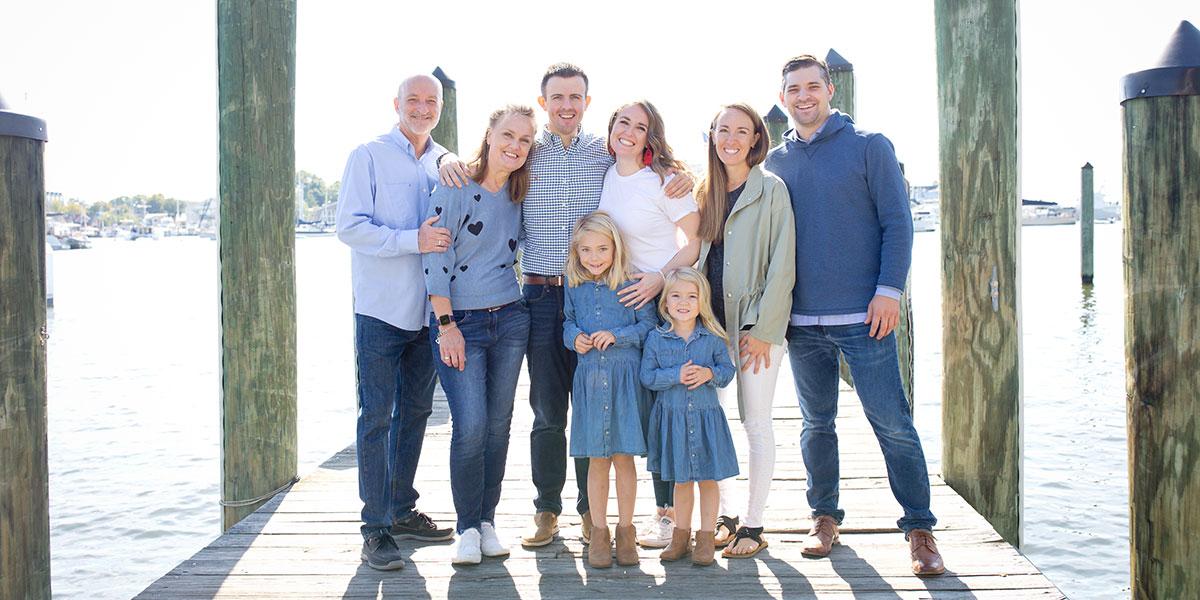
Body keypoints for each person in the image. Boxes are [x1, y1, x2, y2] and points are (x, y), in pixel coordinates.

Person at [439, 64, 693, 548]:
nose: (566, 106)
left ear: (587, 103)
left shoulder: (603, 150)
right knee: (548, 409)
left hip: (598, 295)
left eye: (575, 97)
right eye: (557, 97)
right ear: (544, 103)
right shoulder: (525, 153)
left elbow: (644, 159)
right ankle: (547, 510)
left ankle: (590, 514)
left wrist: (676, 175)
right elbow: (483, 162)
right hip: (535, 297)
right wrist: (444, 159)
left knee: (597, 405)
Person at [765, 55, 945, 576]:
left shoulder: (870, 146)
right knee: (816, 424)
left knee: (892, 423)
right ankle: (824, 518)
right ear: (783, 97)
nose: (803, 96)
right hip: (802, 324)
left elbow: (897, 224)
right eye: (793, 89)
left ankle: (919, 528)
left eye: (812, 87)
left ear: (829, 89)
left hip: (867, 318)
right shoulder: (776, 163)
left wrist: (889, 290)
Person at [335, 74, 454, 571]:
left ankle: (402, 509)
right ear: (397, 104)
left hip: (427, 313)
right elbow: (350, 227)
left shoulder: (445, 161)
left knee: (417, 414)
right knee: (375, 419)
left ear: (440, 108)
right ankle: (375, 528)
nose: (422, 109)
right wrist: (413, 240)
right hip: (381, 311)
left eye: (431, 102)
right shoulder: (368, 155)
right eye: (414, 100)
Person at [423, 105, 536, 565]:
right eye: (507, 135)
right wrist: (446, 325)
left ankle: (488, 520)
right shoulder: (453, 185)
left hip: (511, 318)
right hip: (460, 322)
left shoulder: (519, 192)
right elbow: (434, 259)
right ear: (488, 134)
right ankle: (466, 526)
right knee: (468, 427)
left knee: (498, 425)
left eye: (525, 141)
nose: (514, 146)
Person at [595, 98, 700, 548]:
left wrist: (661, 279)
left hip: (660, 306)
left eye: (640, 126)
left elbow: (695, 242)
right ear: (612, 128)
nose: (629, 131)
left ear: (649, 136)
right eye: (623, 122)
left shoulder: (665, 182)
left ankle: (670, 515)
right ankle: (606, 517)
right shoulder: (604, 174)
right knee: (635, 412)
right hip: (623, 308)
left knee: (665, 410)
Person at [695, 103, 796, 559]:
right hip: (710, 327)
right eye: (723, 130)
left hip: (754, 326)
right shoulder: (706, 191)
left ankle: (754, 525)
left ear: (757, 138)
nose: (731, 138)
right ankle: (727, 516)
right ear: (712, 135)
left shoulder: (771, 190)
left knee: (755, 422)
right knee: (714, 423)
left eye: (742, 131)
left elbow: (782, 265)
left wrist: (765, 329)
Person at [561, 211, 657, 568]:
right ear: (576, 252)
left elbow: (648, 327)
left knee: (623, 457)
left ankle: (626, 530)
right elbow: (567, 323)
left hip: (625, 380)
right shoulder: (574, 285)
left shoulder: (631, 282)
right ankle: (598, 533)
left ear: (616, 248)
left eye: (602, 248)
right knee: (596, 459)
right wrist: (575, 339)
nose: (595, 257)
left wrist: (617, 336)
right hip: (589, 380)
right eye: (586, 250)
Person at [640, 268, 738, 567]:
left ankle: (706, 538)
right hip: (673, 421)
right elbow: (647, 377)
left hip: (706, 420)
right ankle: (680, 538)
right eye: (676, 296)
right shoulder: (657, 339)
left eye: (692, 296)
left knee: (708, 480)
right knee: (681, 482)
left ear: (702, 301)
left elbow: (727, 372)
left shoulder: (712, 337)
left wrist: (709, 373)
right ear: (665, 303)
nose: (684, 302)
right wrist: (675, 375)